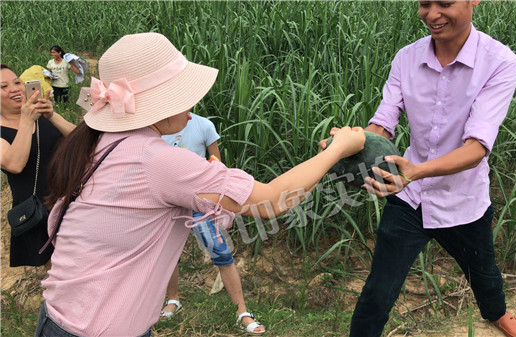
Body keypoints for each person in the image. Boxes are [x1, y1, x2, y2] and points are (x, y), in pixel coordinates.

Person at [35, 32, 364, 337]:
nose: (191, 111)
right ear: (157, 105)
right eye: (183, 97)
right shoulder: (159, 160)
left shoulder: (100, 141)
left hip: (59, 316)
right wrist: (338, 148)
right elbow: (275, 200)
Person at [324, 2, 516, 337]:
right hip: (409, 198)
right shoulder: (407, 58)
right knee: (378, 289)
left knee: (484, 274)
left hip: (463, 199)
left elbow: (476, 148)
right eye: (424, 3)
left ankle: (497, 313)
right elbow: (383, 123)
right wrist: (349, 145)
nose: (432, 14)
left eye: (445, 3)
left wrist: (415, 172)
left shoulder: (500, 62)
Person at [160, 114, 266, 334]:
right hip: (169, 202)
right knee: (169, 256)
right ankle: (173, 300)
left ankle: (242, 312)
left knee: (221, 253)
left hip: (199, 202)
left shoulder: (204, 126)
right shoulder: (157, 125)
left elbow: (217, 167)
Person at [1, 64, 76, 269]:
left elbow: (81, 141)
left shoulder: (42, 116)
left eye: (17, 82)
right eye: (4, 86)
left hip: (69, 198)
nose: (15, 88)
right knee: (58, 269)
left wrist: (52, 116)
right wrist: (26, 121)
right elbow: (14, 164)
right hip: (39, 209)